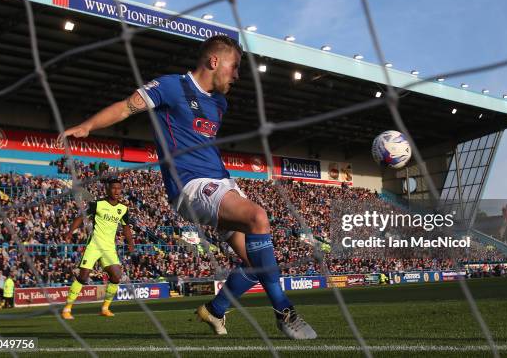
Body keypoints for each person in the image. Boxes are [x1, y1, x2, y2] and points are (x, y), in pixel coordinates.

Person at [59, 35, 316, 339]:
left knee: (256, 263)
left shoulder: (220, 103)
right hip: (191, 186)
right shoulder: (171, 86)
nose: (236, 76)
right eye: (234, 67)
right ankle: (284, 312)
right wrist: (88, 125)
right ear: (214, 61)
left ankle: (215, 310)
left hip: (223, 182)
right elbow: (127, 107)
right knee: (258, 217)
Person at [61, 178, 134, 319]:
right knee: (83, 276)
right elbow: (81, 217)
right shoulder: (97, 204)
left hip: (109, 248)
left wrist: (130, 242)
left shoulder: (123, 209)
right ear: (107, 189)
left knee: (116, 276)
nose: (117, 191)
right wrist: (70, 232)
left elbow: (126, 227)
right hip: (94, 245)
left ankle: (105, 308)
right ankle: (67, 309)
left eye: (119, 188)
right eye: (113, 188)